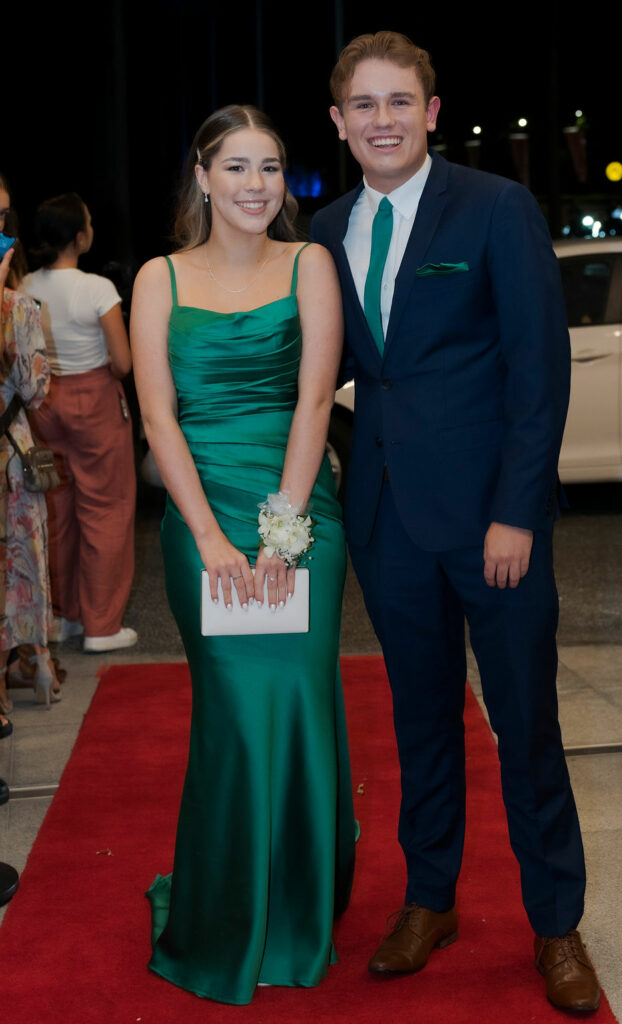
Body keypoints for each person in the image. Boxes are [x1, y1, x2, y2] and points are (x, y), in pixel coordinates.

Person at [311, 31, 600, 1014]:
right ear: (338, 121)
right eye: (363, 104)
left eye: (400, 101)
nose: (382, 119)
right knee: (419, 720)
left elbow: (536, 370)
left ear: (430, 112)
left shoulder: (494, 207)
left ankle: (554, 922)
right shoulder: (326, 227)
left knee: (524, 724)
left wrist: (516, 511)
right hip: (384, 519)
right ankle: (429, 899)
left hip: (491, 524)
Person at [130, 104, 355, 1005]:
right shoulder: (157, 277)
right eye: (235, 166)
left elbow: (314, 404)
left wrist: (282, 534)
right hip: (201, 519)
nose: (255, 184)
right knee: (231, 712)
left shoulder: (309, 264)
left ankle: (298, 911)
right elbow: (157, 417)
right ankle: (227, 914)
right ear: (202, 175)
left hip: (296, 514)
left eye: (269, 167)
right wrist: (210, 538)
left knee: (298, 700)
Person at [23, 193, 137, 653]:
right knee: (106, 509)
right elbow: (123, 363)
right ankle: (102, 626)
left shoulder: (24, 284)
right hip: (95, 402)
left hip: (42, 402)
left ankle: (62, 617)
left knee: (56, 510)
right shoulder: (97, 289)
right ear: (79, 237)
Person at [0, 207, 61, 713]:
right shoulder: (18, 307)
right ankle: (36, 662)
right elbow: (36, 389)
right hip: (11, 457)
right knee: (21, 562)